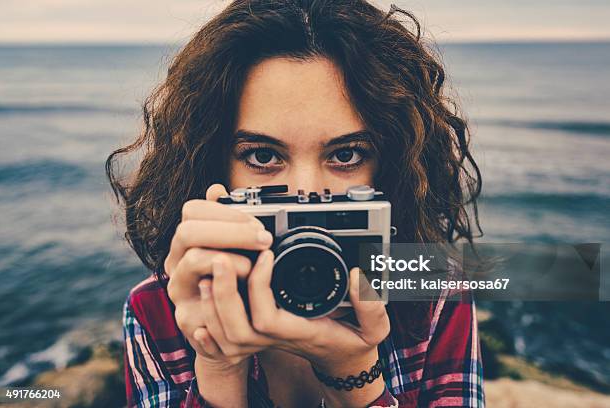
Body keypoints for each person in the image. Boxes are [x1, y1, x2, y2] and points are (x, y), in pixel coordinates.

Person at [106, 1, 484, 406]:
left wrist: (354, 374)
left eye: (346, 154)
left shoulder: (433, 292)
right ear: (215, 169)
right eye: (264, 156)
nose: (306, 192)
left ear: (390, 167)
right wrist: (217, 363)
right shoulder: (159, 309)